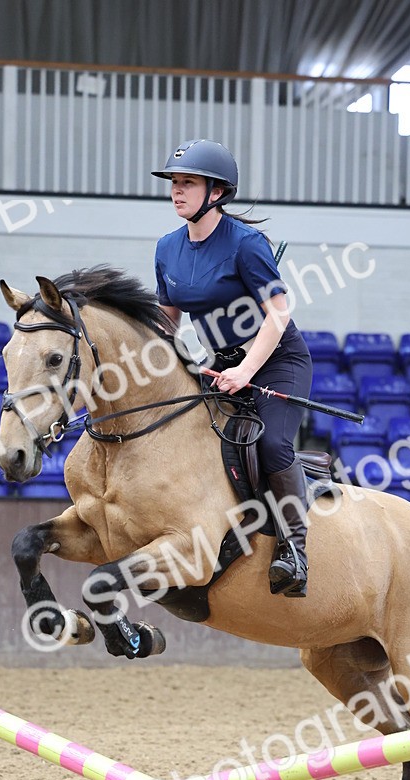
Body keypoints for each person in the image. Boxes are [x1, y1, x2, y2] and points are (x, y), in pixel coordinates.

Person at [152, 139, 313, 598]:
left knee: (273, 444)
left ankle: (295, 551)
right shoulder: (167, 249)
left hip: (277, 361)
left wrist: (246, 370)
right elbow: (167, 320)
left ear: (216, 192)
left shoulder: (246, 244)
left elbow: (278, 314)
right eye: (174, 184)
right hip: (219, 367)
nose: (177, 192)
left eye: (188, 183)